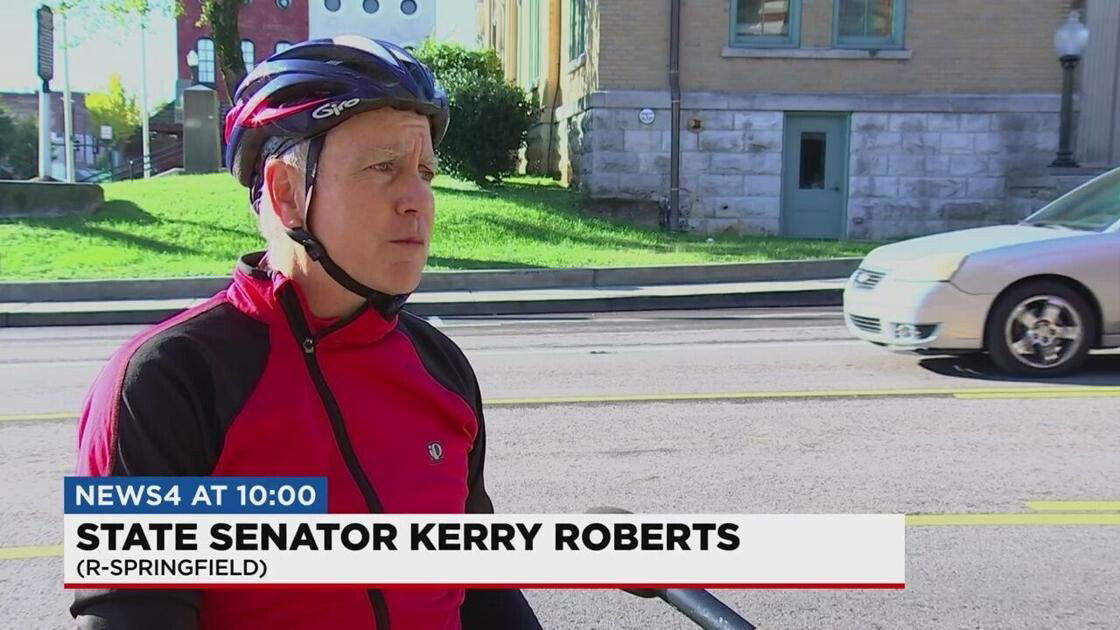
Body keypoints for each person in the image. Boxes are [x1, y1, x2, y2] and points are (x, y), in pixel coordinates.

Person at [70, 36, 541, 630]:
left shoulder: (439, 365)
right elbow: (132, 616)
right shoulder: (168, 381)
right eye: (383, 168)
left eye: (425, 172)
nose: (417, 200)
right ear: (287, 194)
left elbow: (482, 589)